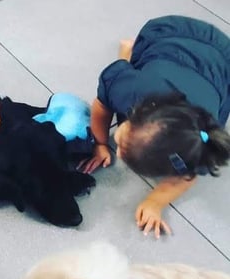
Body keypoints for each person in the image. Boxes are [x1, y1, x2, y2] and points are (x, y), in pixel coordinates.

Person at [79, 15, 230, 238]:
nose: (116, 151)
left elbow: (185, 178)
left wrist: (155, 202)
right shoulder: (131, 89)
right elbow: (101, 106)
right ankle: (125, 55)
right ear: (136, 110)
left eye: (119, 147)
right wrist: (99, 143)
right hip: (168, 34)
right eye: (120, 143)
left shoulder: (198, 144)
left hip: (221, 64)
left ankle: (126, 58)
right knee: (121, 73)